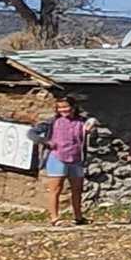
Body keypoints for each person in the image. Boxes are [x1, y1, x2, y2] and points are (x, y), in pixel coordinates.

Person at [40, 93, 92, 226]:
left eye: (66, 107)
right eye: (60, 108)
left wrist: (91, 129)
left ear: (73, 107)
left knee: (77, 189)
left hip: (76, 158)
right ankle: (54, 218)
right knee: (55, 189)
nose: (63, 110)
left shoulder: (81, 121)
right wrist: (46, 142)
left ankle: (78, 217)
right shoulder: (52, 122)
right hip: (57, 157)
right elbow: (32, 133)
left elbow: (88, 134)